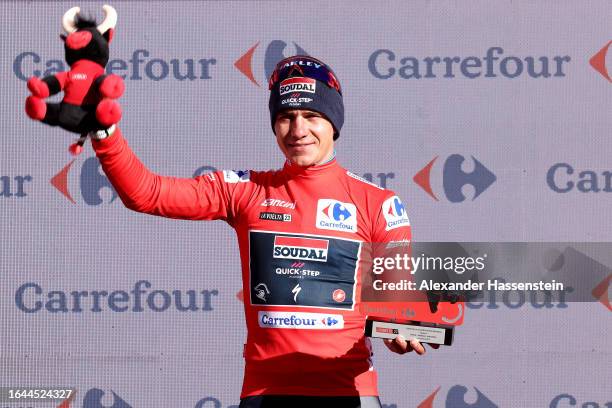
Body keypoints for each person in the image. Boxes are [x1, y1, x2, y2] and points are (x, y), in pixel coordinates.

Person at [87, 55, 436, 408]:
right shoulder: (247, 190)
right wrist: (104, 132)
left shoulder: (378, 203)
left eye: (312, 116)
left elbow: (394, 304)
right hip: (264, 393)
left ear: (334, 124)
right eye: (286, 117)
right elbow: (146, 193)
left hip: (349, 392)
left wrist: (401, 329)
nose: (298, 130)